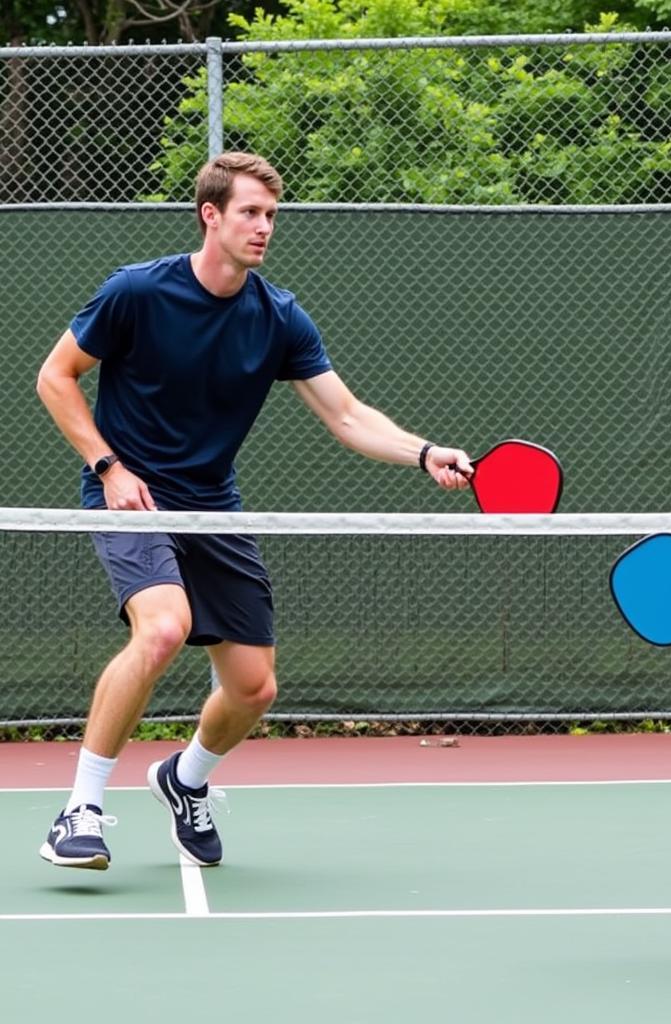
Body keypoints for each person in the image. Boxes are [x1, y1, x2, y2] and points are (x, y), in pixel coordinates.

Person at [35, 151, 473, 871]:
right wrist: (107, 466)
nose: (264, 227)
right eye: (249, 212)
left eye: (271, 214)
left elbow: (347, 415)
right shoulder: (137, 292)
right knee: (164, 629)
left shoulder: (278, 316)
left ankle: (184, 781)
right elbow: (55, 377)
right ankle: (78, 808)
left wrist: (425, 453)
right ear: (211, 215)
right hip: (132, 493)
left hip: (213, 503)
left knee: (253, 687)